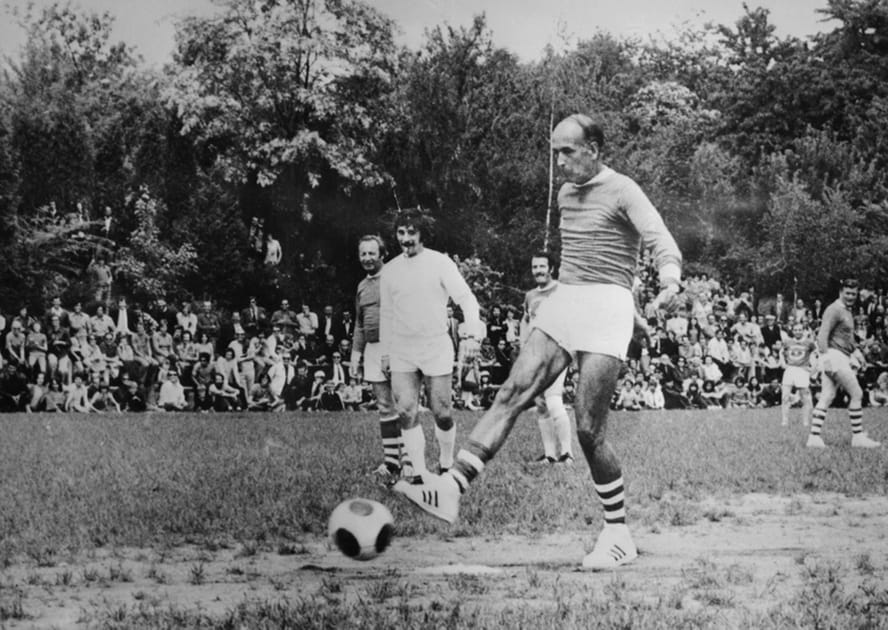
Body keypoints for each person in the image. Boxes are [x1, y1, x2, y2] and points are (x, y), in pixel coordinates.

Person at [393, 115, 682, 571]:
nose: (559, 162)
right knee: (512, 389)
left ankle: (618, 533)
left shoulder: (624, 189)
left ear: (595, 149)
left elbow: (658, 237)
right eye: (555, 153)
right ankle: (450, 489)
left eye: (568, 151)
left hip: (608, 306)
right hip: (567, 299)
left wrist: (667, 281)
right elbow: (583, 258)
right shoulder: (567, 195)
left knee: (588, 428)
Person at [381, 208, 484, 484]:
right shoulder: (389, 270)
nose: (406, 239)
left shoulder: (440, 263)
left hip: (435, 345)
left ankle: (447, 463)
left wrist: (472, 334)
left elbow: (466, 299)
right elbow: (387, 315)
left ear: (422, 233)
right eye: (401, 233)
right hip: (402, 348)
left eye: (411, 232)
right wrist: (386, 352)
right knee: (406, 410)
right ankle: (417, 471)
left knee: (442, 412)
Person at [351, 235, 412, 482]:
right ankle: (391, 463)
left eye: (371, 253)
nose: (367, 258)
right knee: (385, 406)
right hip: (373, 349)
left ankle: (410, 461)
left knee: (404, 405)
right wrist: (356, 354)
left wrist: (392, 351)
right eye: (363, 254)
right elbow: (359, 323)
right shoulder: (362, 286)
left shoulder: (394, 278)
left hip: (397, 346)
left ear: (382, 254)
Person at [807, 279, 880, 448]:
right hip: (834, 357)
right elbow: (822, 335)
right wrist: (824, 359)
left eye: (854, 294)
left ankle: (814, 437)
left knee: (827, 396)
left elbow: (847, 338)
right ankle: (858, 437)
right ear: (841, 292)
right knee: (857, 393)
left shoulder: (847, 311)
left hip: (840, 356)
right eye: (847, 293)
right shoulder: (834, 310)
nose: (850, 297)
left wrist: (856, 352)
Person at [522, 251, 574, 465]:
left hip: (557, 353)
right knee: (541, 404)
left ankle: (568, 453)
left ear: (551, 268)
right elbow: (526, 320)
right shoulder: (531, 295)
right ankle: (550, 454)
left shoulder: (562, 291)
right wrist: (523, 345)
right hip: (535, 355)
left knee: (553, 400)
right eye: (535, 267)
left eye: (542, 267)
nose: (538, 271)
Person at [780, 322, 816, 426]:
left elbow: (815, 355)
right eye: (796, 330)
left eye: (800, 330)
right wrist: (783, 363)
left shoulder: (809, 343)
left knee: (805, 397)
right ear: (792, 331)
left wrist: (812, 368)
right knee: (785, 397)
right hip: (790, 369)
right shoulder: (787, 342)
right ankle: (784, 420)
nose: (798, 332)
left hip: (802, 370)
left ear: (803, 331)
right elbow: (781, 352)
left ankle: (805, 421)